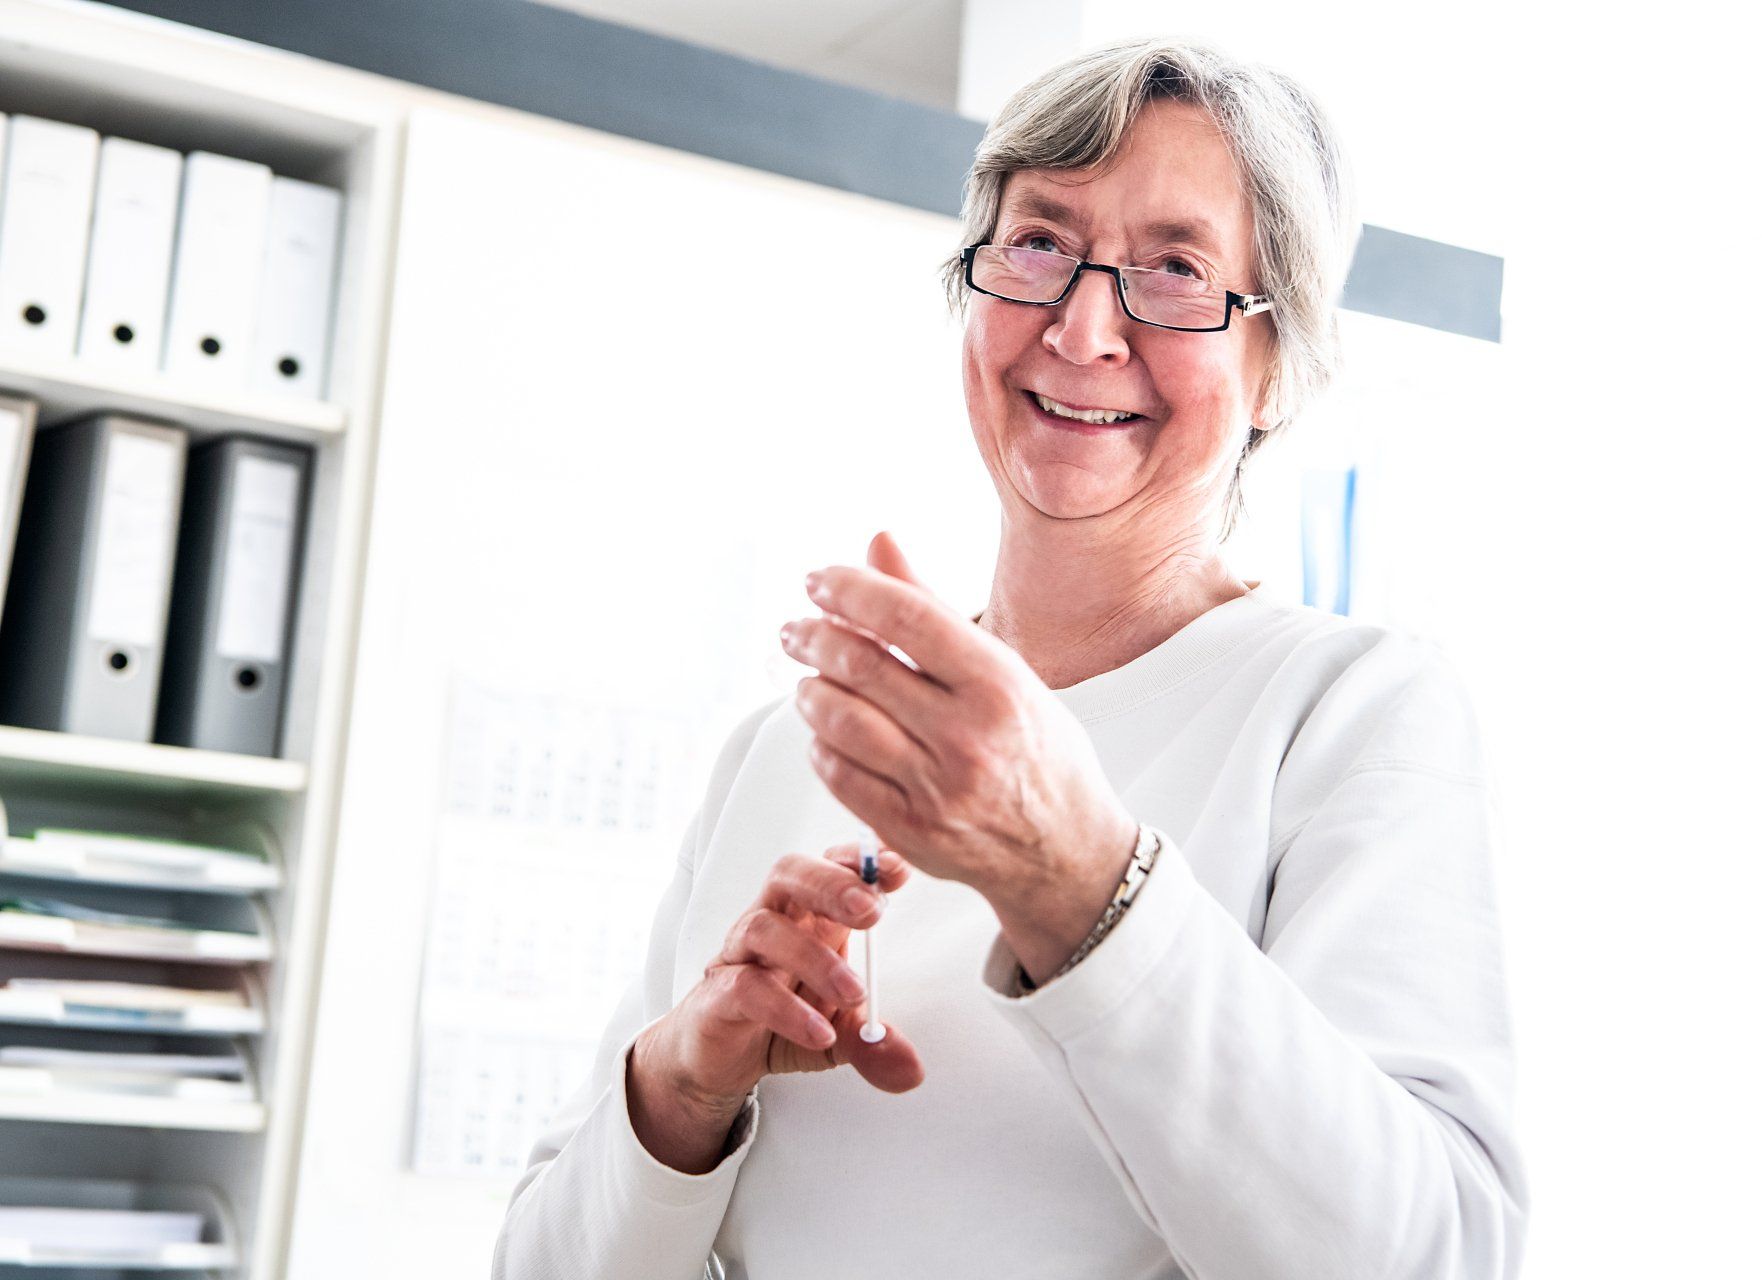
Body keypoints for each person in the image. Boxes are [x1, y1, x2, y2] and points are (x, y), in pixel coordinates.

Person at [494, 36, 1526, 1280]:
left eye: (1177, 268)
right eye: (1039, 242)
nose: (1084, 329)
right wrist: (678, 1087)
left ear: (1274, 368)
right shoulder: (785, 748)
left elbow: (1430, 1255)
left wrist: (1073, 873)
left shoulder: (1352, 712)